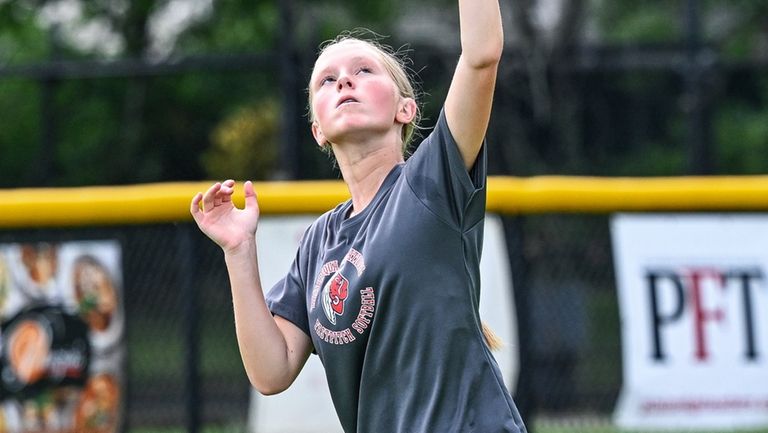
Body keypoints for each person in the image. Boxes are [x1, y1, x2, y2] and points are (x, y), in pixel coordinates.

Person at [190, 0, 527, 431]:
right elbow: (271, 372)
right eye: (326, 81)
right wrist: (238, 250)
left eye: (364, 71)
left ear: (405, 109)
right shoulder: (318, 242)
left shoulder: (432, 181)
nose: (344, 79)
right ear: (318, 132)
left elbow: (481, 56)